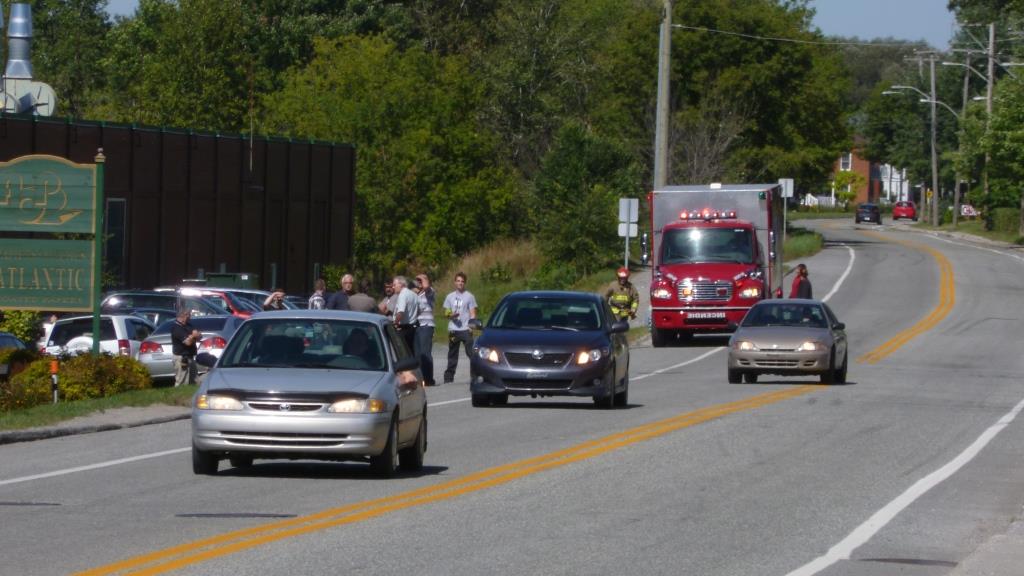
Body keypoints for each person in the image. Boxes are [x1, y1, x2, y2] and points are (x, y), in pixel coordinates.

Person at [442, 271, 478, 384]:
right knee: (452, 354)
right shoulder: (450, 296)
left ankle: (475, 375)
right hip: (453, 329)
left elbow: (473, 313)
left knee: (471, 353)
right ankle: (448, 378)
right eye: (458, 281)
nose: (460, 283)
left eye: (462, 281)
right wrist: (450, 315)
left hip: (465, 329)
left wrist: (471, 327)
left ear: (465, 283)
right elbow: (446, 312)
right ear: (455, 282)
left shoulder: (470, 296)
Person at [413, 273, 437, 386]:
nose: (419, 282)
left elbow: (427, 286)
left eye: (420, 281)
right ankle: (420, 378)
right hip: (417, 325)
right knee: (418, 354)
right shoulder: (416, 294)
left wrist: (423, 277)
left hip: (426, 325)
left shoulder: (430, 292)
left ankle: (428, 379)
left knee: (425, 352)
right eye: (417, 281)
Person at [170, 309, 202, 387]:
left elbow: (200, 335)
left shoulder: (189, 325)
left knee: (195, 381)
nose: (190, 317)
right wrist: (194, 336)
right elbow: (188, 343)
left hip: (190, 357)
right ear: (182, 316)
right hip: (181, 358)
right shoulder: (176, 328)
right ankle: (178, 398)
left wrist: (195, 336)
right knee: (182, 381)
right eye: (188, 315)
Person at [392, 276, 419, 353]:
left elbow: (400, 312)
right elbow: (421, 308)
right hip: (413, 328)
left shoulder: (402, 295)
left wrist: (395, 323)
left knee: (404, 352)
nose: (393, 287)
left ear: (401, 284)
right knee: (412, 351)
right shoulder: (413, 294)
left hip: (404, 328)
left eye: (394, 285)